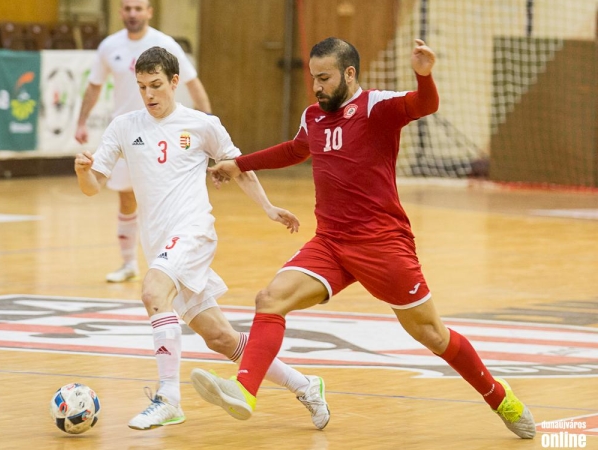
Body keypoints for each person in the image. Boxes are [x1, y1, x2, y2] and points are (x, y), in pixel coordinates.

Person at [190, 37, 536, 440]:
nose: (316, 87)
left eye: (325, 78)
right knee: (270, 299)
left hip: (382, 245)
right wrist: (239, 164)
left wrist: (424, 77)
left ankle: (498, 396)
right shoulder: (313, 117)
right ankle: (244, 391)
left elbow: (425, 106)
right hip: (331, 243)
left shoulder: (376, 107)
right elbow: (296, 150)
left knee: (432, 335)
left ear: (349, 74)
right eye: (313, 78)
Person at [74, 46, 330, 431]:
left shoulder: (201, 124)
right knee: (220, 338)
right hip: (159, 244)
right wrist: (82, 171)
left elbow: (238, 168)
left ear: (175, 82)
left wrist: (268, 207)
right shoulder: (124, 127)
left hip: (192, 232)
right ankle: (307, 385)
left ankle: (168, 399)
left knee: (152, 292)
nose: (149, 95)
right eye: (142, 86)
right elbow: (95, 187)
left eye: (156, 85)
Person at [75, 0, 212, 283]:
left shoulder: (165, 44)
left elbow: (192, 81)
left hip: (162, 133)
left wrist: (207, 119)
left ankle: (170, 258)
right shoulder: (109, 46)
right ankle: (128, 263)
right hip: (127, 135)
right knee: (125, 196)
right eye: (127, 8)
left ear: (149, 12)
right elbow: (94, 85)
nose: (133, 13)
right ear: (120, 12)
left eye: (138, 8)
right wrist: (81, 121)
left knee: (162, 195)